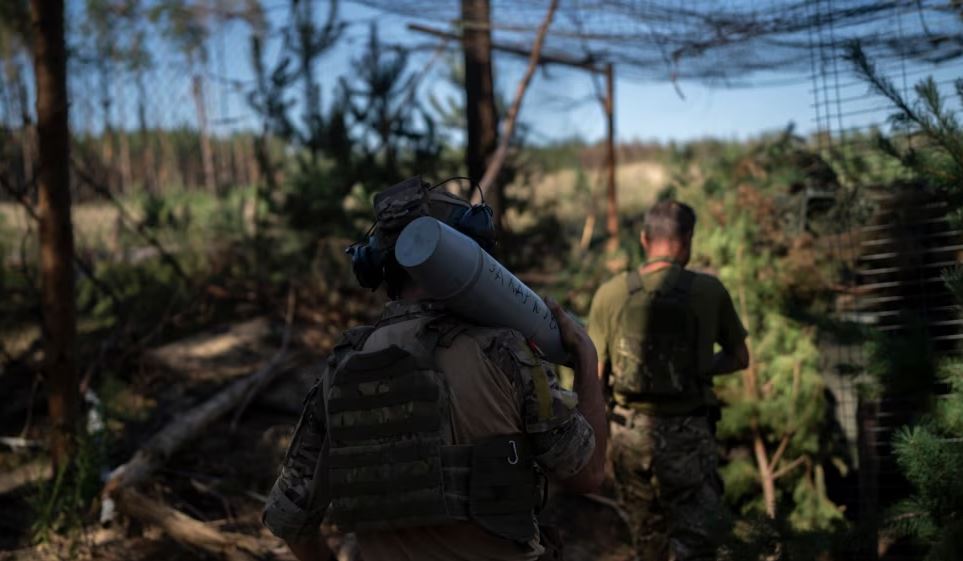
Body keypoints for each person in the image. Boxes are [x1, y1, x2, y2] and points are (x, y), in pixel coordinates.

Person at [262, 177, 607, 561]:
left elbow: (289, 519)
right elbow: (587, 474)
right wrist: (587, 362)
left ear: (381, 267)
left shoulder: (342, 368)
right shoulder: (507, 354)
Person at [587, 200, 750, 561]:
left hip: (630, 437)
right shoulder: (709, 291)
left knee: (647, 541)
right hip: (689, 435)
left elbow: (593, 378)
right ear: (687, 240)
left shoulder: (610, 294)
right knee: (698, 543)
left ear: (645, 239)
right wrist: (703, 367)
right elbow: (741, 359)